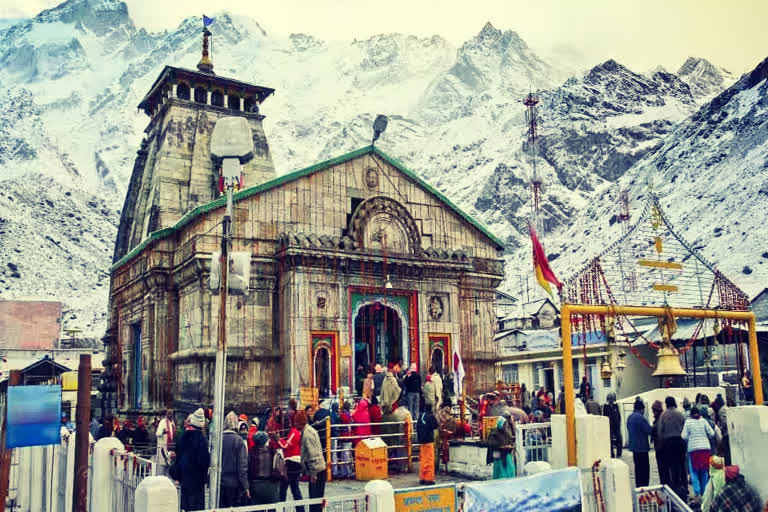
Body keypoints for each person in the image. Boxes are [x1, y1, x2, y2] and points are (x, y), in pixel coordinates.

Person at [173, 408, 209, 512]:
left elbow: (178, 457)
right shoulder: (201, 440)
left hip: (184, 480)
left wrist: (178, 477)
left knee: (185, 507)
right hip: (196, 483)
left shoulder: (183, 436)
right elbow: (204, 462)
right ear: (201, 424)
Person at [657, 396, 688, 501]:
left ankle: (675, 488)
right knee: (681, 464)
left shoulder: (663, 415)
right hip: (680, 442)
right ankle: (685, 487)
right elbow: (685, 427)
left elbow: (660, 431)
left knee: (672, 466)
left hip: (669, 444)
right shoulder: (680, 414)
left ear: (666, 403)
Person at [297, 410, 327, 512]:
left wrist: (313, 475)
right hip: (319, 470)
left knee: (314, 503)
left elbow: (313, 455)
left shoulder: (307, 434)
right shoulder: (310, 430)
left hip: (316, 472)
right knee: (316, 502)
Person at [682, 406, 715, 499]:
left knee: (694, 472)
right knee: (704, 471)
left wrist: (690, 437)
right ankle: (704, 492)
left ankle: (697, 492)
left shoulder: (688, 422)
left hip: (693, 451)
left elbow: (683, 436)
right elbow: (712, 433)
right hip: (705, 449)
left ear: (691, 414)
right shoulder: (704, 421)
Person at [273, 411, 303, 509]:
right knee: (295, 489)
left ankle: (282, 509)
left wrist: (277, 439)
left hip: (291, 463)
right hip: (295, 463)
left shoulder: (293, 433)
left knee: (283, 489)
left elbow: (285, 446)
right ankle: (300, 509)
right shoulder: (294, 432)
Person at [219, 411, 250, 506]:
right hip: (233, 484)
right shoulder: (239, 440)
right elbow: (242, 466)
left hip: (219, 484)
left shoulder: (219, 439)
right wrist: (246, 487)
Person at [627, 397, 652, 488]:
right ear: (641, 409)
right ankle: (644, 487)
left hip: (634, 448)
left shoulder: (629, 417)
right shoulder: (641, 418)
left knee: (637, 469)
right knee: (645, 471)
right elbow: (649, 430)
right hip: (642, 448)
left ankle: (639, 486)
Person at [248, 431, 279, 505]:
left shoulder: (251, 452)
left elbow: (248, 469)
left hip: (255, 486)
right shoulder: (272, 451)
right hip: (270, 485)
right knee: (272, 507)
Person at [417, 403, 439, 485]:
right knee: (429, 459)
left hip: (421, 441)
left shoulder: (420, 416)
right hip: (428, 440)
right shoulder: (430, 416)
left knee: (423, 459)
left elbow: (417, 427)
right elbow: (436, 425)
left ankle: (422, 478)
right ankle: (429, 479)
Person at [437, 398, 456, 472]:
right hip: (449, 437)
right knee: (446, 451)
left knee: (441, 451)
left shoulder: (439, 414)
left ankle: (441, 466)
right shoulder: (452, 419)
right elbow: (454, 430)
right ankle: (446, 466)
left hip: (441, 436)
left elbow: (438, 425)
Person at [156, 410, 176, 477]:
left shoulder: (172, 423)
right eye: (168, 413)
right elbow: (157, 433)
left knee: (168, 469)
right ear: (166, 414)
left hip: (170, 449)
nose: (170, 414)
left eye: (171, 413)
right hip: (162, 448)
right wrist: (162, 432)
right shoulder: (162, 422)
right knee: (161, 469)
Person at [603, 392, 622, 458]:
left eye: (612, 400)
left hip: (616, 425)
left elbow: (618, 415)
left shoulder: (616, 406)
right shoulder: (605, 407)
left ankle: (619, 454)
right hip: (609, 425)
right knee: (609, 440)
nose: (611, 401)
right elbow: (604, 416)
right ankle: (611, 454)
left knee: (619, 439)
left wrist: (619, 423)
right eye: (610, 400)